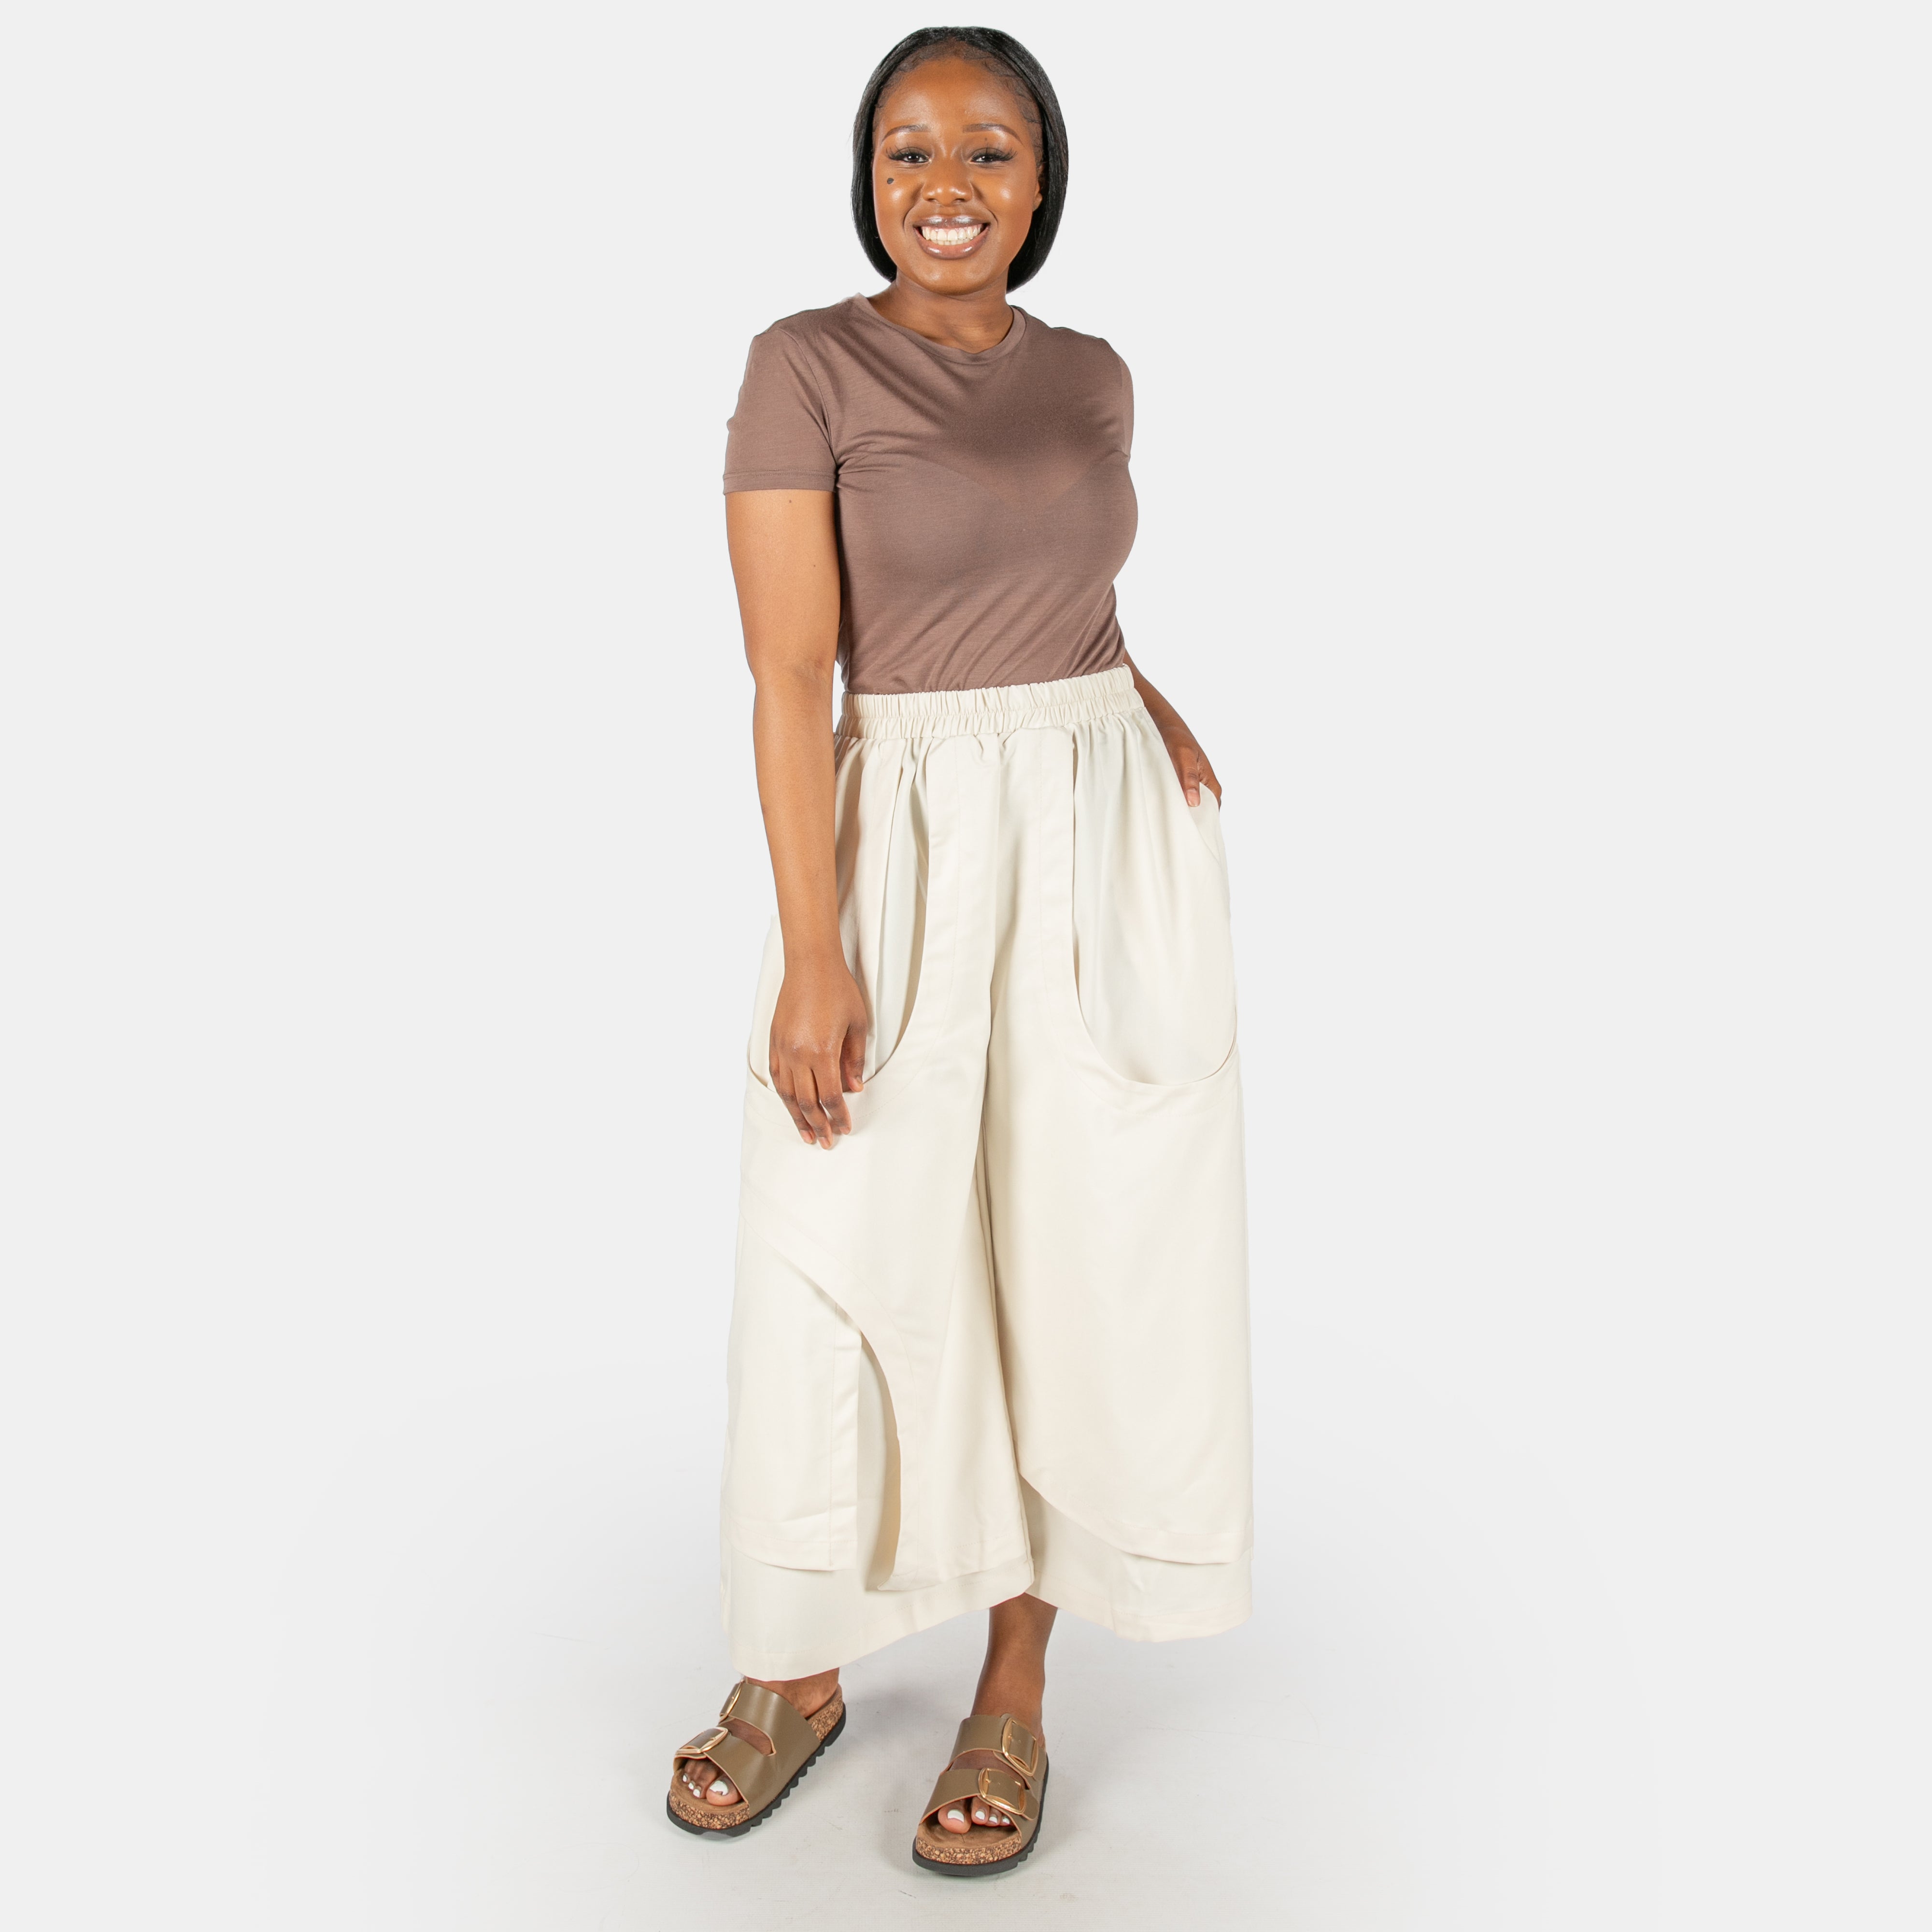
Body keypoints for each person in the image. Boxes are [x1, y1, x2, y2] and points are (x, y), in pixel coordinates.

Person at [668, 26, 1252, 1875]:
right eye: (909, 148)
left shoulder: (1094, 375)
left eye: (989, 150)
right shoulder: (803, 365)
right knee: (837, 1241)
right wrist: (811, 952)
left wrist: (1138, 693)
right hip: (904, 841)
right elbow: (790, 675)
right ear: (867, 178)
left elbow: (1066, 578)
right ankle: (799, 1662)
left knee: (1079, 1251)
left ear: (1041, 179)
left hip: (1102, 840)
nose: (947, 182)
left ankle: (1016, 1679)